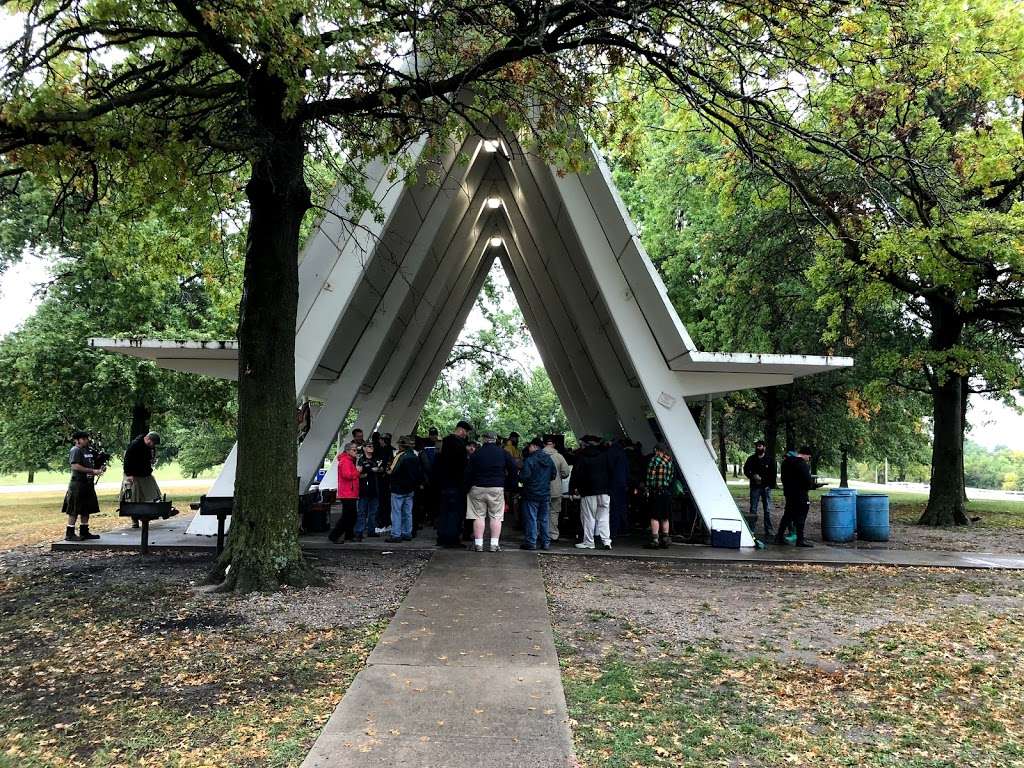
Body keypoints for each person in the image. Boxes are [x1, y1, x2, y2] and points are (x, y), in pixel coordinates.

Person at [466, 431, 518, 552]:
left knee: (478, 516)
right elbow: (513, 468)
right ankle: (494, 545)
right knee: (496, 516)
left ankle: (478, 544)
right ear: (495, 440)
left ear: (484, 439)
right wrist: (510, 485)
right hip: (496, 487)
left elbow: (468, 472)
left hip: (477, 488)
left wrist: (466, 487)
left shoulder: (476, 453)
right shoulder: (503, 453)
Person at [569, 435, 614, 549]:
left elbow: (576, 474)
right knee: (604, 517)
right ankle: (607, 541)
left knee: (589, 517)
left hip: (588, 491)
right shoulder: (605, 455)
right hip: (604, 491)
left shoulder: (582, 456)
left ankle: (589, 542)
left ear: (585, 445)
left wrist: (573, 488)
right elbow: (611, 471)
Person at [61, 430, 104, 541]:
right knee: (74, 509)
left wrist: (100, 466)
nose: (86, 440)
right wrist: (92, 471)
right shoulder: (75, 450)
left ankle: (84, 532)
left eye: (86, 438)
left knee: (86, 508)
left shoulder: (88, 450)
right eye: (83, 439)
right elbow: (75, 466)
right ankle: (69, 533)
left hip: (88, 484)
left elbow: (94, 462)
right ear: (77, 440)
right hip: (78, 484)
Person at [435, 420, 472, 547]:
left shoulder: (444, 442)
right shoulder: (459, 445)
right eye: (466, 432)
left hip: (444, 483)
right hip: (456, 484)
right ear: (461, 430)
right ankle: (452, 539)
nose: (466, 435)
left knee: (444, 511)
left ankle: (442, 537)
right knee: (455, 513)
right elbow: (463, 466)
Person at [518, 437, 557, 550]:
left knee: (531, 518)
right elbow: (553, 475)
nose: (529, 448)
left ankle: (531, 542)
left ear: (535, 446)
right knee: (544, 519)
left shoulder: (530, 460)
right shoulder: (549, 459)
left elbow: (524, 477)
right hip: (545, 493)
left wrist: (520, 476)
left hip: (531, 494)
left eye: (530, 446)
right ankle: (545, 542)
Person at [776, 445, 818, 547]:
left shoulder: (786, 463)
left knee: (787, 515)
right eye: (809, 457)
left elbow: (783, 478)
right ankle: (800, 540)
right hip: (801, 495)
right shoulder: (802, 464)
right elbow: (807, 480)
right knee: (801, 516)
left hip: (789, 494)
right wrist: (812, 486)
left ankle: (779, 537)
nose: (809, 459)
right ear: (806, 454)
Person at [121, 431, 162, 529]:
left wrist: (151, 461)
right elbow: (127, 460)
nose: (153, 446)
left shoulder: (150, 447)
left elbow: (149, 458)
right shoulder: (135, 445)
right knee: (133, 497)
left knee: (151, 494)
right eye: (153, 443)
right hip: (133, 474)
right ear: (148, 439)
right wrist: (129, 474)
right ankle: (134, 519)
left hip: (144, 474)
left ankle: (149, 513)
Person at [386, 436, 423, 543]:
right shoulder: (414, 456)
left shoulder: (400, 456)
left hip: (398, 488)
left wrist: (388, 471)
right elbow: (418, 473)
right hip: (410, 488)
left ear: (401, 445)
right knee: (408, 512)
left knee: (396, 512)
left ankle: (396, 534)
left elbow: (392, 471)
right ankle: (407, 533)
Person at [643, 443, 675, 549]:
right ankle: (665, 539)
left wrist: (647, 487)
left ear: (657, 450)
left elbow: (650, 477)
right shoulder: (669, 461)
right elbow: (670, 478)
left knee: (655, 516)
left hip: (656, 492)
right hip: (666, 492)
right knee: (665, 517)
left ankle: (655, 540)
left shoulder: (654, 460)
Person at [328, 441, 360, 543]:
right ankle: (335, 535)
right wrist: (358, 471)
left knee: (351, 515)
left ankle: (349, 535)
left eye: (356, 450)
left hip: (350, 492)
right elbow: (347, 475)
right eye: (354, 450)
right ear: (348, 451)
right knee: (348, 516)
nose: (356, 452)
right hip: (347, 493)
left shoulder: (348, 460)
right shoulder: (346, 461)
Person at [744, 440, 777, 537]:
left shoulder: (770, 460)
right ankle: (751, 530)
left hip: (766, 488)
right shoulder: (751, 459)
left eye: (760, 446)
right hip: (755, 487)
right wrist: (753, 476)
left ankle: (769, 530)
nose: (758, 448)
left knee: (767, 509)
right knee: (753, 508)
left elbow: (773, 474)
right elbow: (746, 470)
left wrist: (768, 484)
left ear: (764, 447)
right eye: (757, 446)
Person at [543, 437, 571, 542]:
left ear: (544, 444)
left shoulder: (538, 455)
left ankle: (540, 533)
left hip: (541, 489)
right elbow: (566, 472)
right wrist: (559, 477)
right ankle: (553, 534)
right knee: (554, 512)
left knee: (541, 512)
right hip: (556, 489)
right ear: (554, 445)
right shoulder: (559, 457)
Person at [355, 441, 384, 539]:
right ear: (364, 448)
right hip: (364, 489)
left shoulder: (376, 458)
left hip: (374, 489)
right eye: (369, 446)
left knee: (373, 512)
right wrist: (371, 470)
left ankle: (371, 530)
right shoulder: (361, 459)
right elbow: (357, 473)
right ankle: (359, 531)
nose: (371, 447)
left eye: (372, 446)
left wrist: (378, 469)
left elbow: (382, 469)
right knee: (362, 511)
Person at [607, 438, 629, 538]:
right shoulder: (623, 453)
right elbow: (627, 470)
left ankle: (612, 531)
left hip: (612, 483)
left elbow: (609, 468)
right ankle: (623, 528)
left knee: (613, 508)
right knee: (621, 507)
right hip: (622, 484)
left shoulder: (610, 453)